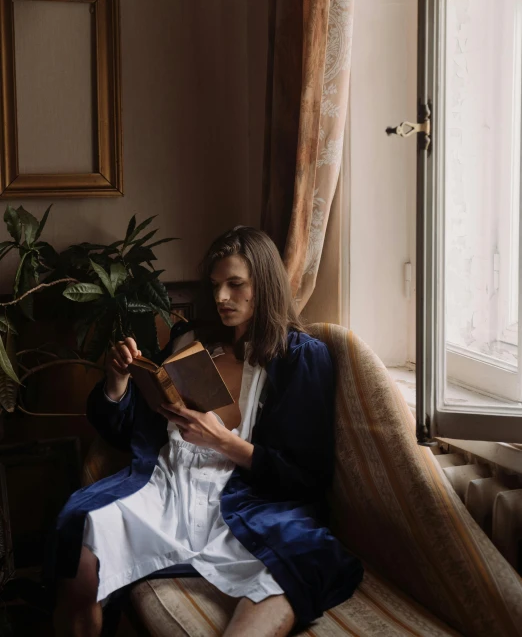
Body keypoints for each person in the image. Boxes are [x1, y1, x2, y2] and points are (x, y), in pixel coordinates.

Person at [52, 226, 363, 636]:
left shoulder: (301, 357)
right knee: (80, 534)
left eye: (236, 285)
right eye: (216, 285)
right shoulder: (190, 339)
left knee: (303, 560)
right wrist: (119, 382)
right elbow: (129, 431)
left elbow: (306, 474)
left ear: (264, 285)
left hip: (246, 505)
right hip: (166, 490)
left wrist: (224, 442)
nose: (221, 298)